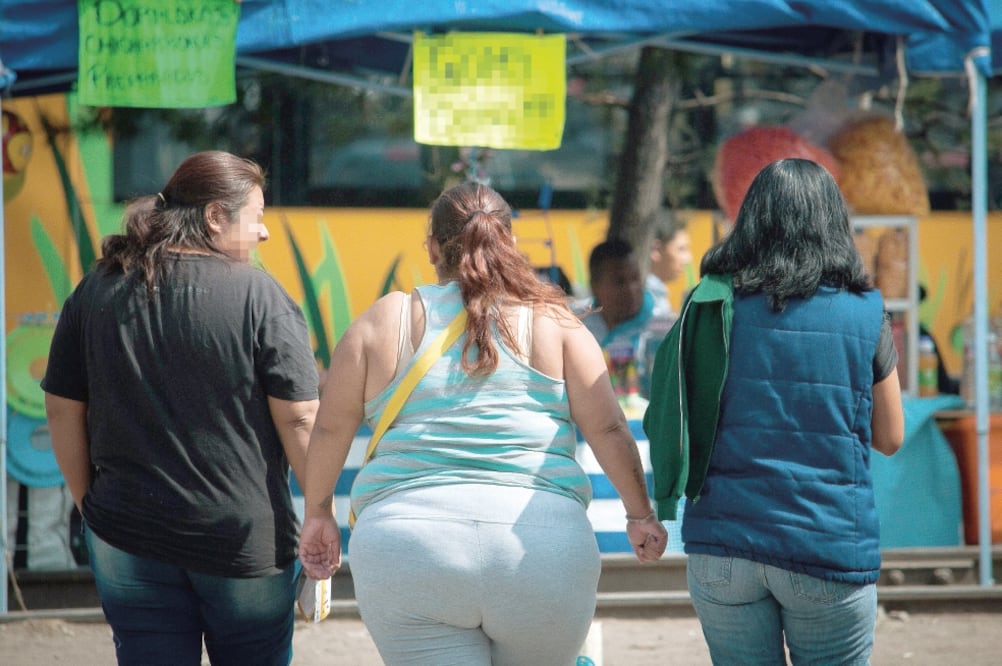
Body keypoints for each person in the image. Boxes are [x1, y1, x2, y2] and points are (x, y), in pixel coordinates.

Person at [298, 180, 667, 665]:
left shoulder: (382, 321)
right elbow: (609, 429)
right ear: (509, 242)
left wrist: (319, 514)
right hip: (541, 551)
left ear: (432, 247)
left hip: (408, 548)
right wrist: (639, 514)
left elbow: (328, 428)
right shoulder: (555, 322)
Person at [42, 150, 320, 666]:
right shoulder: (260, 296)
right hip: (243, 544)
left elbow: (61, 409)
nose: (264, 234)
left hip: (126, 533)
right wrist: (321, 512)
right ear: (216, 216)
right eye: (256, 217)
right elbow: (300, 417)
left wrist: (89, 506)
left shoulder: (96, 289)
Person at [644, 158, 905, 665]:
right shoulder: (865, 310)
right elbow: (891, 436)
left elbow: (673, 410)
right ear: (834, 221)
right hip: (825, 547)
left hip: (723, 548)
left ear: (752, 221)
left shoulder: (709, 303)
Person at [582, 239, 674, 401]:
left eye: (635, 279)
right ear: (594, 286)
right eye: (619, 281)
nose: (631, 289)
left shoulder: (661, 326)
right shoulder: (578, 324)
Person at [646, 209, 693, 319]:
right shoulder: (643, 298)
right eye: (681, 249)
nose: (688, 259)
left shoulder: (656, 293)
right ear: (655, 250)